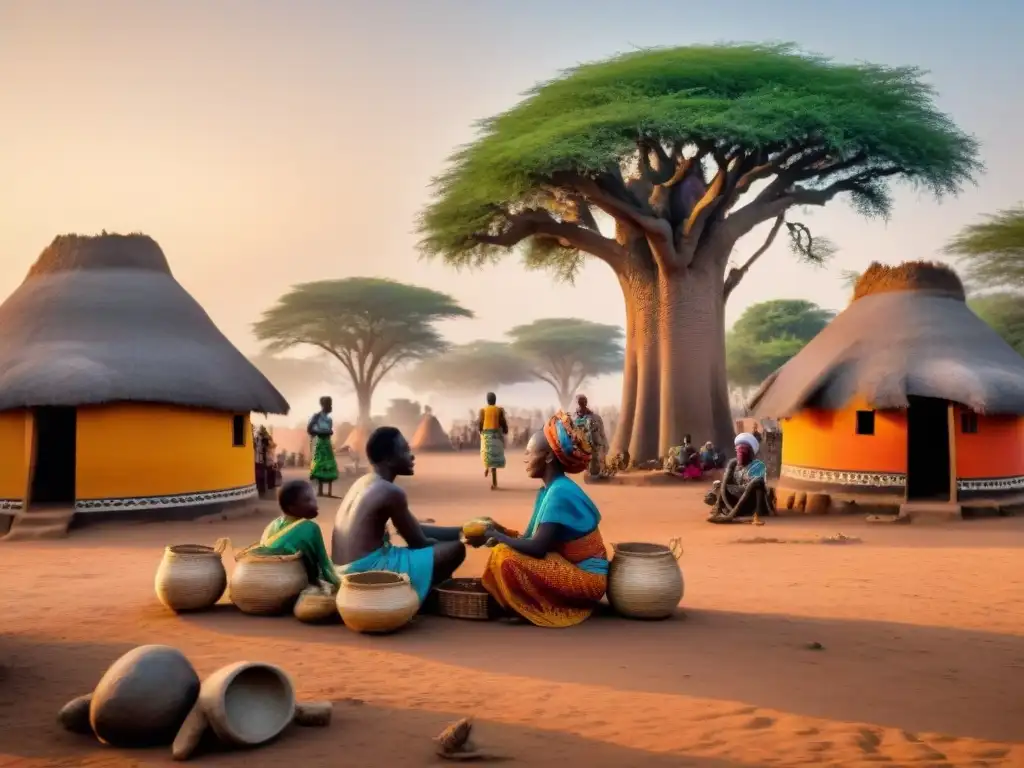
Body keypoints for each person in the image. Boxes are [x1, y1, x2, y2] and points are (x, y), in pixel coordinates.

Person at [472, 411, 608, 628]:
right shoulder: (549, 491)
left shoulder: (559, 493)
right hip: (569, 565)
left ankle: (529, 606)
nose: (525, 459)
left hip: (588, 581)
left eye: (529, 453)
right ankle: (514, 601)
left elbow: (537, 548)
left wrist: (498, 537)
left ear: (547, 457)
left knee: (506, 558)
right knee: (505, 552)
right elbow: (533, 539)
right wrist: (501, 531)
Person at [331, 426, 466, 605]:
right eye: (405, 450)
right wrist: (441, 544)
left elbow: (413, 530)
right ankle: (416, 597)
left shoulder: (363, 482)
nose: (411, 456)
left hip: (339, 571)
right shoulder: (391, 492)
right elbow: (419, 542)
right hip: (365, 571)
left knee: (434, 549)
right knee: (456, 550)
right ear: (388, 459)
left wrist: (463, 530)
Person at [250, 479, 339, 588]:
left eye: (314, 499)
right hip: (291, 585)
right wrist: (340, 586)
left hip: (265, 579)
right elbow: (324, 565)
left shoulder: (273, 524)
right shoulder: (310, 527)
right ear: (291, 507)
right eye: (307, 500)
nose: (315, 504)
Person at [705, 432, 772, 523]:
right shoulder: (733, 464)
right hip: (733, 501)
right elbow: (726, 483)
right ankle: (718, 509)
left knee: (757, 483)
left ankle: (755, 512)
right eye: (738, 451)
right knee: (719, 485)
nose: (740, 454)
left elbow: (756, 487)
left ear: (751, 453)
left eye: (744, 451)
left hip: (749, 503)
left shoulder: (758, 466)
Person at [308, 396, 339, 497]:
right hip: (320, 442)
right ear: (323, 405)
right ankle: (320, 491)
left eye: (330, 404)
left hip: (327, 443)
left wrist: (329, 432)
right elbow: (309, 429)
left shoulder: (329, 419)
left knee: (329, 464)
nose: (330, 406)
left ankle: (329, 492)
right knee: (320, 464)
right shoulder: (316, 417)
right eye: (328, 404)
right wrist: (321, 432)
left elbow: (330, 430)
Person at [478, 392, 509, 490]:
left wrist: (480, 431)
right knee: (494, 459)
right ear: (495, 400)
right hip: (495, 435)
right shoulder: (499, 410)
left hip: (486, 435)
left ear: (487, 400)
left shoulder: (483, 410)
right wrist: (505, 430)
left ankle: (487, 467)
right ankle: (494, 483)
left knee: (486, 454)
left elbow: (480, 422)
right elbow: (503, 421)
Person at [574, 394, 609, 478]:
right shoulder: (575, 418)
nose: (582, 403)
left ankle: (595, 473)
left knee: (594, 462)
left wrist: (604, 443)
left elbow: (601, 432)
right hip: (583, 444)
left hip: (593, 444)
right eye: (580, 401)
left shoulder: (594, 417)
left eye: (583, 401)